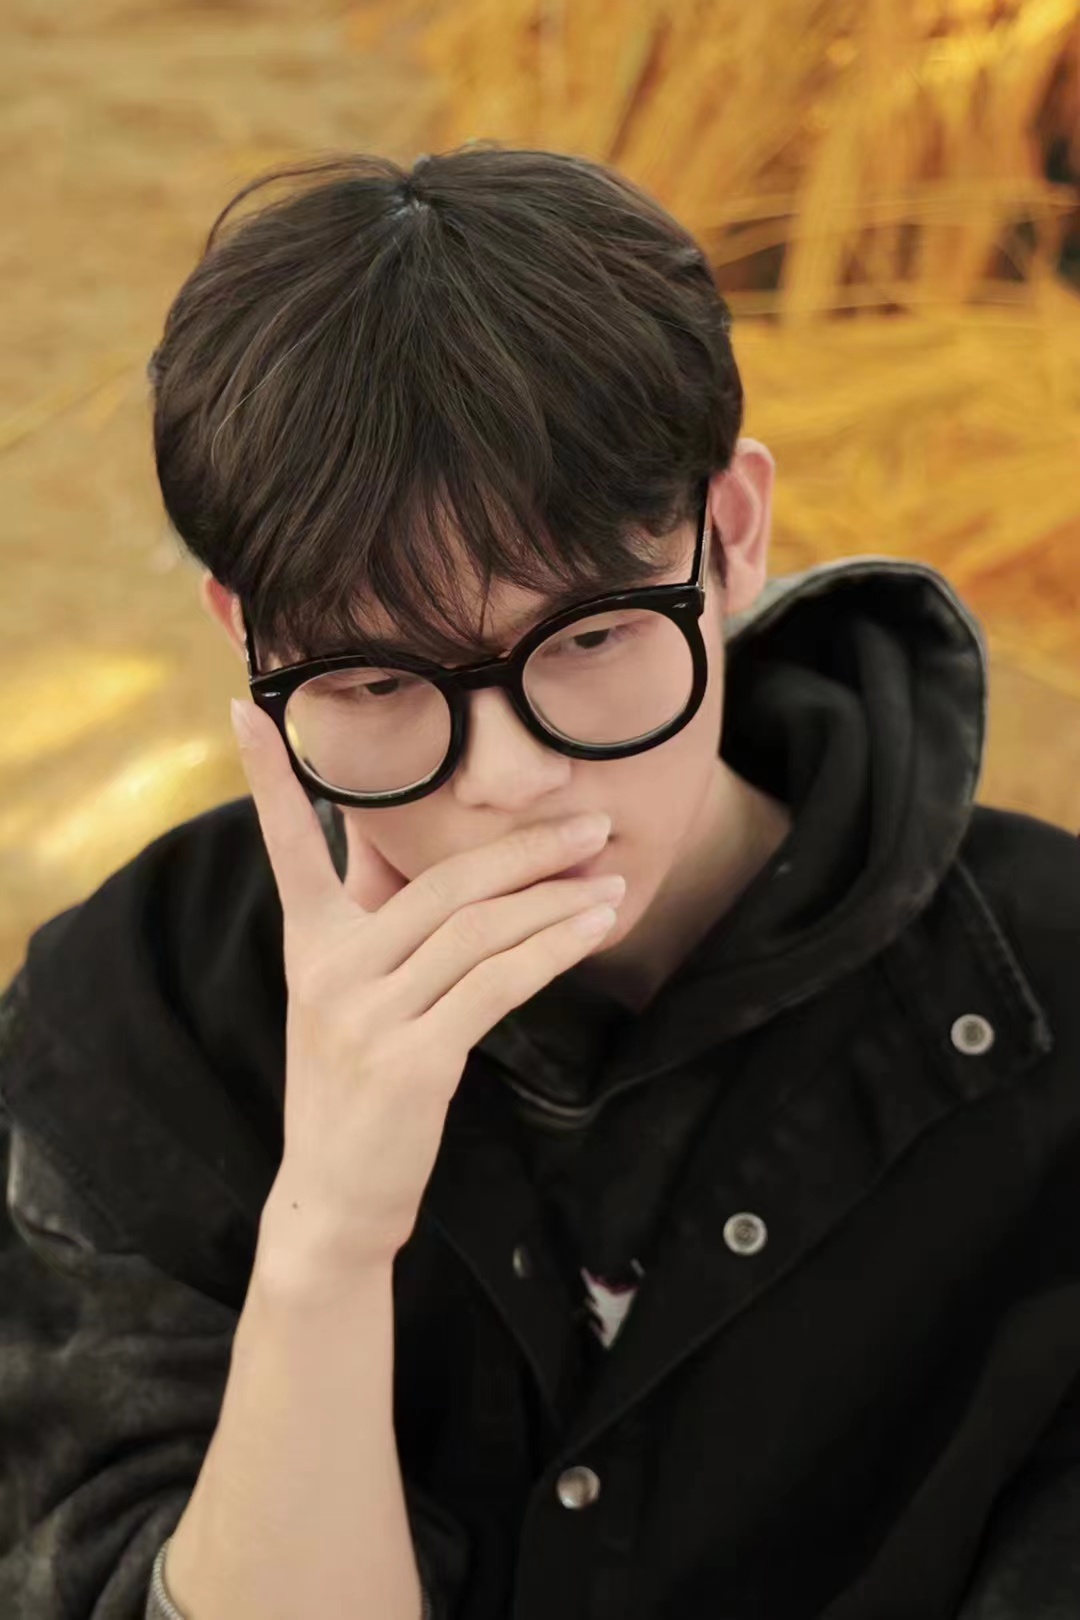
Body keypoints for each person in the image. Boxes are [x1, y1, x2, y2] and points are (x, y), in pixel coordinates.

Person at [1, 143, 1078, 1620]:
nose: (508, 775)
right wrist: (327, 1243)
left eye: (588, 640)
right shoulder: (133, 1017)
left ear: (734, 537)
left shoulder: (1054, 1004)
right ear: (245, 639)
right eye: (378, 680)